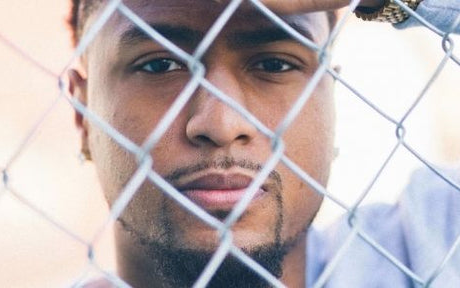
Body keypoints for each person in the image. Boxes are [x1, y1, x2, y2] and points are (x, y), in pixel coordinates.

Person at [67, 0, 459, 287]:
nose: (222, 124)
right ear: (83, 114)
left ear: (331, 99)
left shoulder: (430, 242)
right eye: (159, 64)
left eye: (274, 64)